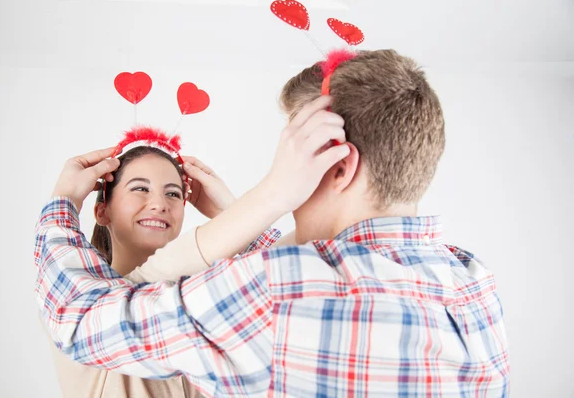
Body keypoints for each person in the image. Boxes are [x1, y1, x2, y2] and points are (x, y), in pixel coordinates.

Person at [35, 49, 509, 397]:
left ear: (338, 166)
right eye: (138, 188)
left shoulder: (270, 291)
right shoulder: (473, 285)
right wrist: (240, 215)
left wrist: (61, 204)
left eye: (294, 154)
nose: (158, 203)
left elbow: (78, 317)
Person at [42, 130, 283, 398]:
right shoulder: (79, 302)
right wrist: (65, 198)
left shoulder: (203, 297)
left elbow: (297, 289)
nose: (159, 204)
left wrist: (226, 210)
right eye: (140, 188)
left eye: (172, 193)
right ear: (102, 210)